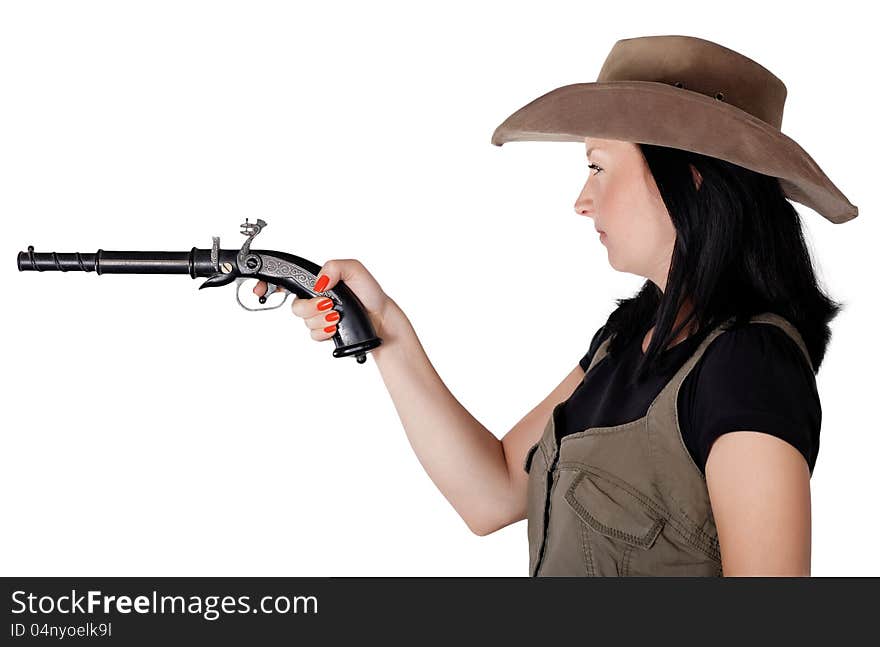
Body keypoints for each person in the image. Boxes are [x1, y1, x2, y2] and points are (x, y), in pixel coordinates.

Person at [255, 35, 857, 576]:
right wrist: (384, 327)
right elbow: (490, 495)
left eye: (598, 166)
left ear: (692, 175)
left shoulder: (748, 366)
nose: (582, 200)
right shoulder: (628, 341)